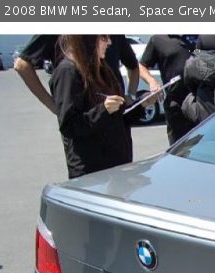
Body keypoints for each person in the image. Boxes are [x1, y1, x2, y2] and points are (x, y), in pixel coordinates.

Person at [50, 35, 149, 179]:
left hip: (117, 166)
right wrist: (103, 110)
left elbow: (120, 117)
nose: (109, 42)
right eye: (103, 38)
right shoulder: (68, 71)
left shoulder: (102, 68)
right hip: (92, 172)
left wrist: (142, 104)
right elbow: (69, 125)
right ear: (87, 39)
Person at [14, 35, 150, 115]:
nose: (108, 41)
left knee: (124, 164)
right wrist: (55, 107)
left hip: (116, 123)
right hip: (81, 128)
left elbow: (133, 66)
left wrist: (131, 95)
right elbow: (22, 65)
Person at [140, 35, 198, 143]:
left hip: (201, 102)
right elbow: (142, 66)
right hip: (176, 106)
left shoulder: (197, 37)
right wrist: (152, 82)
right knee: (179, 150)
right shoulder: (158, 39)